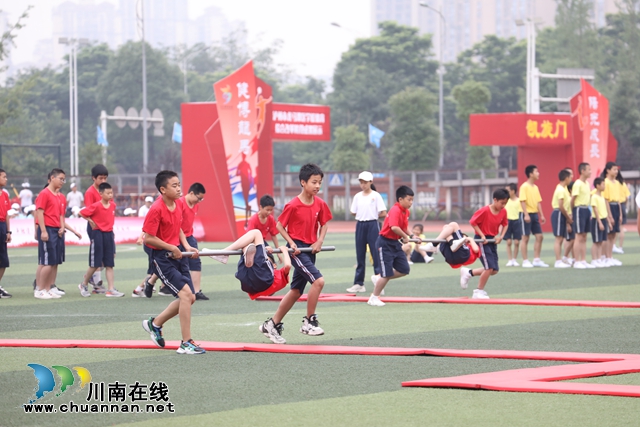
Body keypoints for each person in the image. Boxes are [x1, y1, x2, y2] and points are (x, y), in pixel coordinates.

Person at [260, 163, 332, 338]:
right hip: (298, 251)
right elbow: (279, 225)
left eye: (319, 182)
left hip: (310, 250)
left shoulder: (320, 204)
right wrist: (291, 243)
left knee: (296, 291)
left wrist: (320, 240)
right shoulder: (293, 205)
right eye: (314, 182)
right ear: (303, 182)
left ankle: (272, 324)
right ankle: (309, 322)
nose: (317, 186)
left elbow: (324, 224)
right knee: (318, 281)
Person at [141, 170, 204, 355]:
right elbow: (148, 238)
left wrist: (186, 247)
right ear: (163, 189)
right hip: (163, 259)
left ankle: (155, 323)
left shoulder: (178, 205)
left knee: (190, 298)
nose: (178, 189)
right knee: (186, 295)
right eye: (174, 186)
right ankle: (186, 342)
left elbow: (178, 230)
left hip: (178, 255)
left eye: (179, 184)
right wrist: (171, 247)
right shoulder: (156, 209)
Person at [159, 182, 208, 300]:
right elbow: (176, 224)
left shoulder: (195, 205)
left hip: (189, 236)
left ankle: (196, 291)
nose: (199, 201)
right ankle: (151, 283)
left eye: (201, 199)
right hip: (177, 236)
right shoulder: (179, 203)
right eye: (198, 198)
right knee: (172, 263)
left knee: (195, 261)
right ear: (191, 193)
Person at [367, 185, 414, 307]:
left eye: (412, 200)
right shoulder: (395, 210)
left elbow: (404, 227)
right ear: (400, 199)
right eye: (409, 199)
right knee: (386, 273)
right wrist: (404, 236)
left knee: (404, 269)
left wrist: (412, 236)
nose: (411, 202)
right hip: (385, 243)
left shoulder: (406, 211)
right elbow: (394, 227)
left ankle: (378, 278)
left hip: (395, 244)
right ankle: (374, 297)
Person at [459, 188, 509, 299]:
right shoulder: (485, 210)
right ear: (495, 200)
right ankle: (478, 291)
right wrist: (482, 235)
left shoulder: (503, 211)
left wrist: (501, 236)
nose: (503, 206)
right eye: (502, 203)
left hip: (492, 240)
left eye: (505, 203)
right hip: (481, 241)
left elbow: (505, 224)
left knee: (494, 270)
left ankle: (469, 273)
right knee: (489, 267)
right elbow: (473, 222)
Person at [78, 182, 123, 297]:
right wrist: (90, 220)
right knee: (95, 264)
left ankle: (111, 289)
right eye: (108, 193)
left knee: (109, 264)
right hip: (98, 234)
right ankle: (84, 284)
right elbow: (81, 212)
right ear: (101, 194)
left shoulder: (113, 205)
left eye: (111, 193)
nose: (110, 195)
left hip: (109, 235)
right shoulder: (96, 206)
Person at [347, 171, 387, 293]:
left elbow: (383, 212)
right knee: (360, 254)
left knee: (375, 253)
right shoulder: (358, 196)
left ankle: (379, 280)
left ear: (371, 182)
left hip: (372, 225)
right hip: (360, 225)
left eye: (365, 182)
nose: (363, 185)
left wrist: (372, 215)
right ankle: (359, 283)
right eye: (361, 182)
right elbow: (353, 211)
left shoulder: (376, 196)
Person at [34, 169, 68, 299]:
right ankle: (40, 289)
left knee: (53, 261)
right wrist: (43, 230)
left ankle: (47, 288)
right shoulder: (44, 193)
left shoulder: (57, 196)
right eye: (60, 178)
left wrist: (61, 227)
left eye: (64, 179)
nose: (62, 182)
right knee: (47, 262)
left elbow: (60, 215)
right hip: (47, 229)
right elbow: (40, 212)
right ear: (52, 178)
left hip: (55, 229)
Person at [84, 164, 109, 293]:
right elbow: (88, 211)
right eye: (100, 178)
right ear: (94, 178)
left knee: (108, 256)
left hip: (106, 228)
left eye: (105, 178)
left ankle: (92, 278)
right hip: (96, 228)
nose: (103, 181)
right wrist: (94, 223)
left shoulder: (105, 191)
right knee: (98, 257)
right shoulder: (90, 192)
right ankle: (96, 283)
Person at [519, 164, 547, 268]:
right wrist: (526, 215)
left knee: (540, 236)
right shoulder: (524, 186)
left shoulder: (536, 187)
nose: (538, 173)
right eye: (536, 171)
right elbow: (522, 201)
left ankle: (536, 259)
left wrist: (542, 215)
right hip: (526, 214)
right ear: (531, 174)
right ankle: (525, 261)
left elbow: (538, 202)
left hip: (534, 214)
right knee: (525, 237)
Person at [247, 194, 284, 266]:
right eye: (267, 210)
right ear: (260, 207)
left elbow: (273, 235)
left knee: (273, 264)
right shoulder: (253, 220)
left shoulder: (270, 219)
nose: (269, 212)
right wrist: (262, 248)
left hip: (263, 243)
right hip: (252, 244)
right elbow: (249, 238)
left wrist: (278, 252)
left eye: (271, 210)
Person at [571, 163, 594, 269]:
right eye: (589, 169)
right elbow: (572, 200)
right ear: (583, 171)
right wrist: (572, 212)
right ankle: (576, 261)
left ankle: (583, 260)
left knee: (584, 236)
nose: (590, 171)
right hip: (579, 209)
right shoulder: (578, 183)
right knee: (579, 236)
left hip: (586, 209)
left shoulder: (587, 184)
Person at [601, 162, 622, 266]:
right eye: (614, 169)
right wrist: (609, 215)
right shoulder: (606, 182)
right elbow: (605, 200)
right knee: (609, 234)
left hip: (616, 207)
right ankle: (606, 257)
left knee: (614, 234)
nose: (616, 171)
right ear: (608, 170)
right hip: (609, 207)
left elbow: (618, 200)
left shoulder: (617, 183)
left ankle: (610, 256)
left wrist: (621, 214)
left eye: (617, 169)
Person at [551, 169, 573, 268]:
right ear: (566, 178)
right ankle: (558, 261)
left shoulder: (563, 189)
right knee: (558, 238)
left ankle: (561, 260)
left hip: (562, 214)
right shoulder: (560, 189)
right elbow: (560, 205)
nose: (571, 179)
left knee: (561, 238)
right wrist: (568, 217)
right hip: (559, 213)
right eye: (570, 177)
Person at [590, 178, 608, 267]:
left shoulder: (602, 197)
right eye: (603, 184)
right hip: (597, 220)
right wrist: (599, 222)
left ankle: (599, 259)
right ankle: (594, 259)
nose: (604, 186)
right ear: (597, 185)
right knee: (596, 241)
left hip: (603, 219)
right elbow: (595, 210)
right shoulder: (594, 197)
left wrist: (607, 221)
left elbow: (604, 210)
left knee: (601, 241)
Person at [0, 169, 12, 298]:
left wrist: (8, 231)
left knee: (3, 261)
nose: (6, 179)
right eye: (4, 176)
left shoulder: (4, 194)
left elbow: (7, 214)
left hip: (2, 227)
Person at [504, 183, 522, 267]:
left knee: (516, 242)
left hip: (517, 222)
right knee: (508, 242)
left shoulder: (519, 201)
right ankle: (509, 260)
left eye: (508, 191)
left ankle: (514, 259)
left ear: (513, 191)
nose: (506, 192)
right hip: (508, 222)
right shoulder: (505, 201)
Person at [613, 170, 630, 254]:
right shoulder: (623, 184)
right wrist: (625, 206)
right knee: (621, 227)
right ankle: (620, 247)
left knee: (615, 227)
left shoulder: (614, 183)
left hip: (615, 204)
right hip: (622, 205)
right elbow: (627, 197)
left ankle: (613, 245)